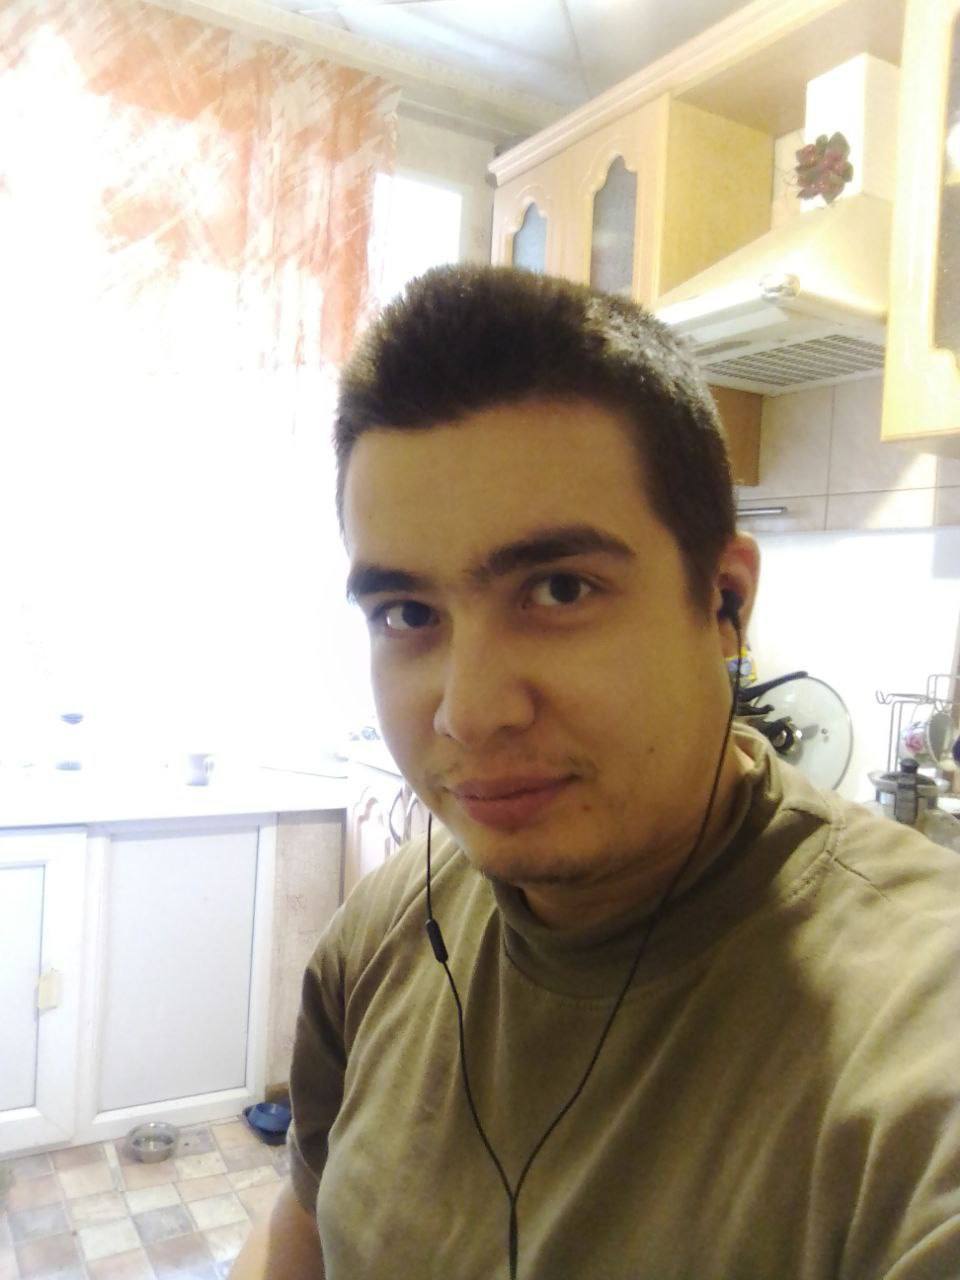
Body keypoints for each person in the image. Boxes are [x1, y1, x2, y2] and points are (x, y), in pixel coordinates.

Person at [231, 266, 960, 1280]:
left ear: (724, 603)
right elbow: (304, 1225)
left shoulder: (918, 1032)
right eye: (408, 612)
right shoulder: (382, 934)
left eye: (559, 589)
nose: (468, 711)